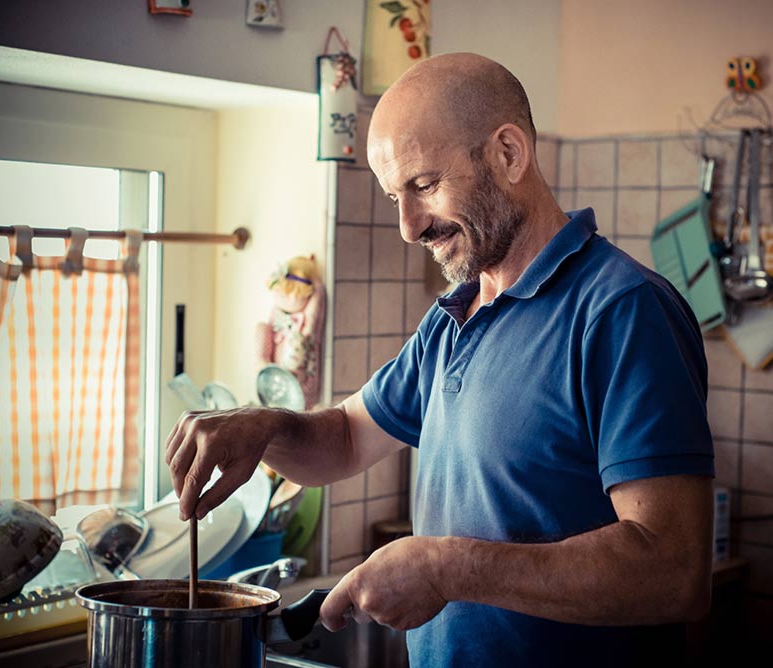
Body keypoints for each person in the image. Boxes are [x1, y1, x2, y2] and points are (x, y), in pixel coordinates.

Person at [167, 52, 715, 666]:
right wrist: (264, 426)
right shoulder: (453, 318)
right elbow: (347, 438)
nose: (407, 226)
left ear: (509, 154)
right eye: (394, 195)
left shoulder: (622, 311)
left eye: (424, 185)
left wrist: (449, 567)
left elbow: (674, 571)